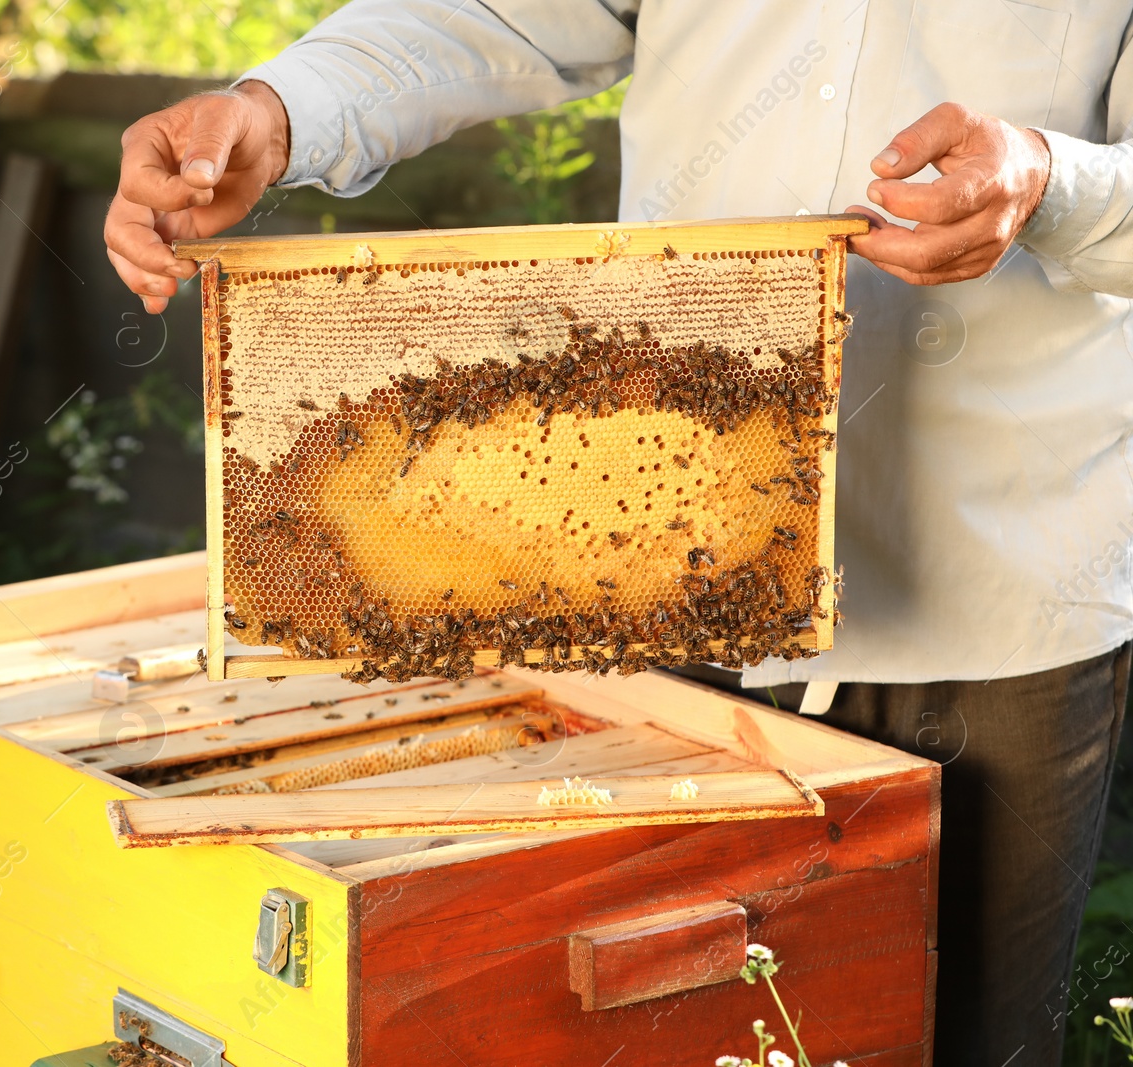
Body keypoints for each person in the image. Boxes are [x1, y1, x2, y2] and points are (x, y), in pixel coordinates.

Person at [104, 3, 1133, 1064]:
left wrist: (1057, 182)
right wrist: (279, 109)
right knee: (643, 1036)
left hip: (997, 594)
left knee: (965, 1040)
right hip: (650, 573)